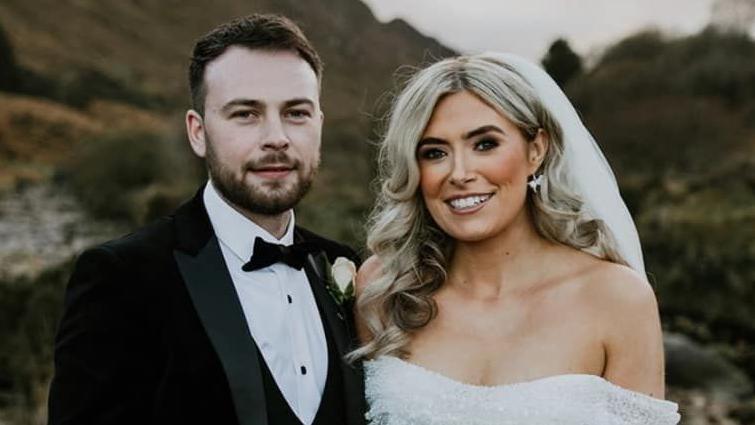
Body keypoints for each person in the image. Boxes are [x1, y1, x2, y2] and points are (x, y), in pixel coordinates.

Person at [48, 14, 365, 425]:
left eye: (296, 113)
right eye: (246, 114)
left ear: (318, 125)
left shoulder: (345, 266)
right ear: (198, 132)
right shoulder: (121, 277)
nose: (276, 137)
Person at [352, 53, 680, 424]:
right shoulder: (385, 289)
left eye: (485, 144)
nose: (459, 173)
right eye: (435, 152)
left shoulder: (616, 298)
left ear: (536, 150)